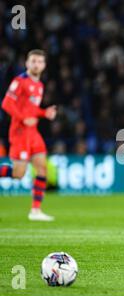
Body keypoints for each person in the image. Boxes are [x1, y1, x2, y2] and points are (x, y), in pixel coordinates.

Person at [0, 49, 57, 221]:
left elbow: (31, 109)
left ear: (44, 65)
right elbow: (6, 103)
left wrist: (43, 113)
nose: (36, 64)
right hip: (19, 132)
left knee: (42, 168)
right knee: (18, 173)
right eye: (33, 61)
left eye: (39, 61)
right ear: (26, 63)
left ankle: (35, 211)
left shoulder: (39, 85)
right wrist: (24, 119)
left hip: (33, 133)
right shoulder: (20, 81)